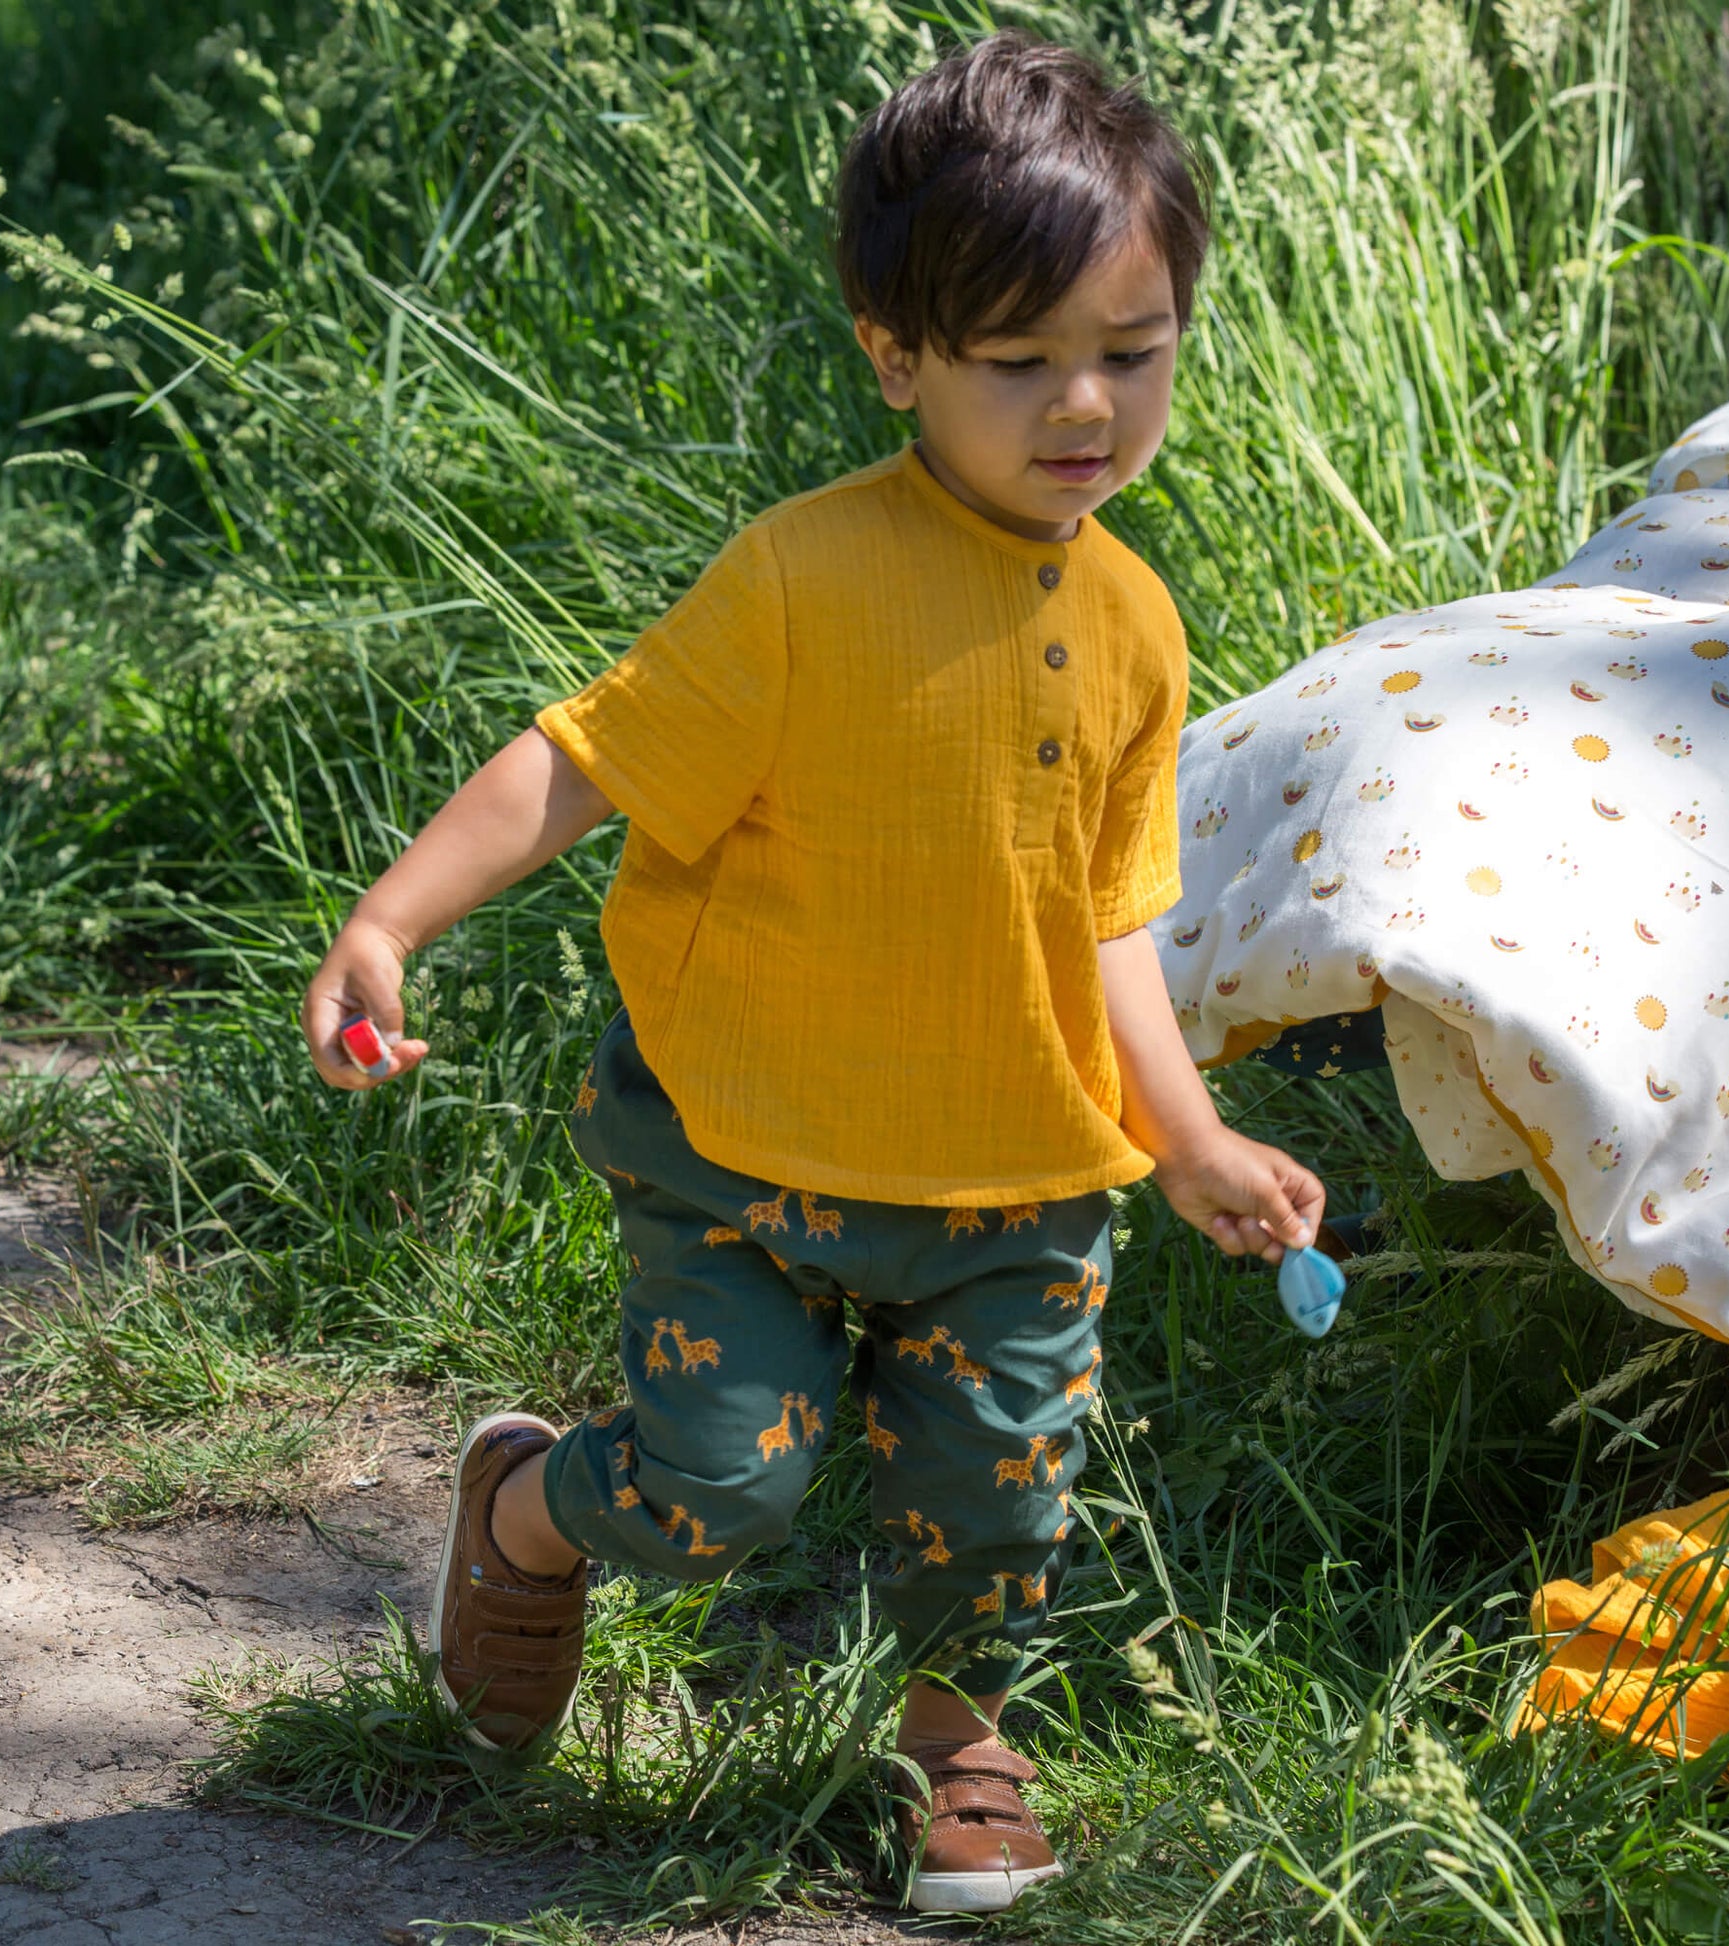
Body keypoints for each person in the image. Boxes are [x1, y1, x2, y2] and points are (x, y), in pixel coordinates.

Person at [301, 30, 1323, 1914]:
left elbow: (1101, 917)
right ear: (896, 357)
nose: (1082, 402)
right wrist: (391, 915)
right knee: (721, 1492)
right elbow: (581, 762)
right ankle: (526, 1510)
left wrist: (1181, 1141)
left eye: (1133, 345)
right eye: (1016, 362)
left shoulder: (1137, 624)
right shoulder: (801, 578)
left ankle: (957, 1738)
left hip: (1018, 1169)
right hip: (746, 1147)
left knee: (997, 1496)